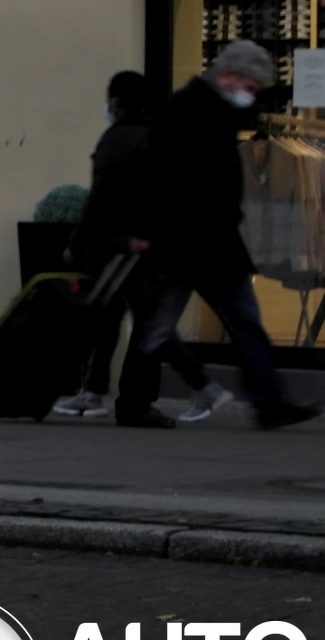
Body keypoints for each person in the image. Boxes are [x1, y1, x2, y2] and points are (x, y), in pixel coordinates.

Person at [129, 41, 320, 430]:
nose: (250, 95)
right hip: (193, 241)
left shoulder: (202, 107)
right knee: (164, 325)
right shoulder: (190, 110)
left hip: (197, 243)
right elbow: (169, 179)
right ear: (229, 76)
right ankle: (137, 401)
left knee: (176, 324)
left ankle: (268, 400)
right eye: (250, 86)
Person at [62, 71, 207, 427]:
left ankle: (125, 398)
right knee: (142, 324)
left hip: (119, 248)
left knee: (130, 321)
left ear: (115, 102)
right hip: (151, 247)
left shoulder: (119, 140)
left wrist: (77, 244)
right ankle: (133, 400)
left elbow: (99, 199)